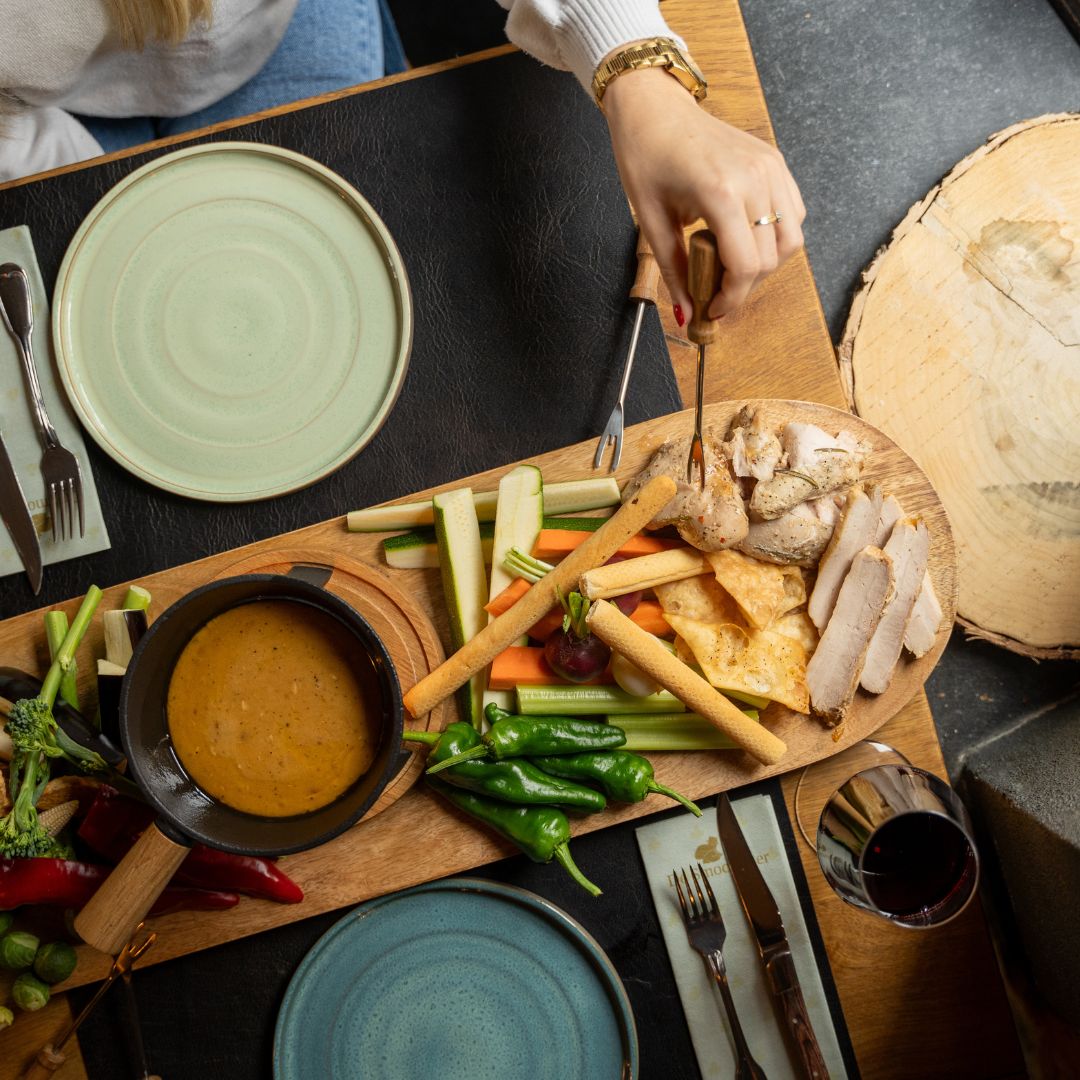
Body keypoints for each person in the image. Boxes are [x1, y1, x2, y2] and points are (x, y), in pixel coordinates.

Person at [0, 0, 805, 323]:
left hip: (280, 25)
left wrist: (634, 69)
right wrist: (97, 191)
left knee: (377, 293)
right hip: (41, 110)